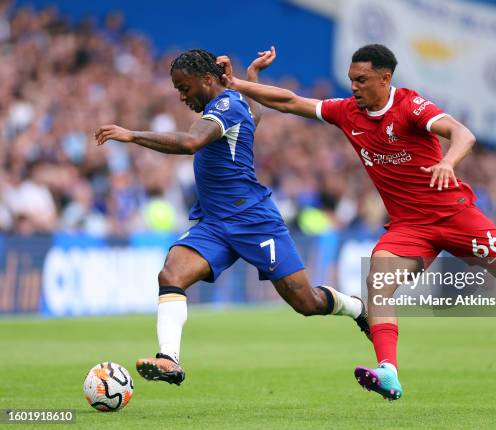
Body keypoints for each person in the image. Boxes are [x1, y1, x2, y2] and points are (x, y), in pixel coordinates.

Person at [218, 44, 496, 401]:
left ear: (385, 79)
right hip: (410, 227)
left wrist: (447, 162)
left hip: (456, 215)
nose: (353, 87)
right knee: (378, 281)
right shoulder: (347, 112)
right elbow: (289, 101)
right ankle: (389, 371)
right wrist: (236, 82)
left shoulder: (409, 106)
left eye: (362, 80)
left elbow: (463, 134)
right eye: (351, 79)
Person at [94, 48, 369, 386]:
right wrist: (252, 78)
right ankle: (169, 359)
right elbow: (253, 120)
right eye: (177, 89)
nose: (181, 96)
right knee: (171, 274)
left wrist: (132, 135)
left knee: (306, 302)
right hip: (215, 224)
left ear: (208, 79)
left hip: (254, 220)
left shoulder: (226, 105)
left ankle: (357, 308)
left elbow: (192, 142)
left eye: (185, 87)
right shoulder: (232, 106)